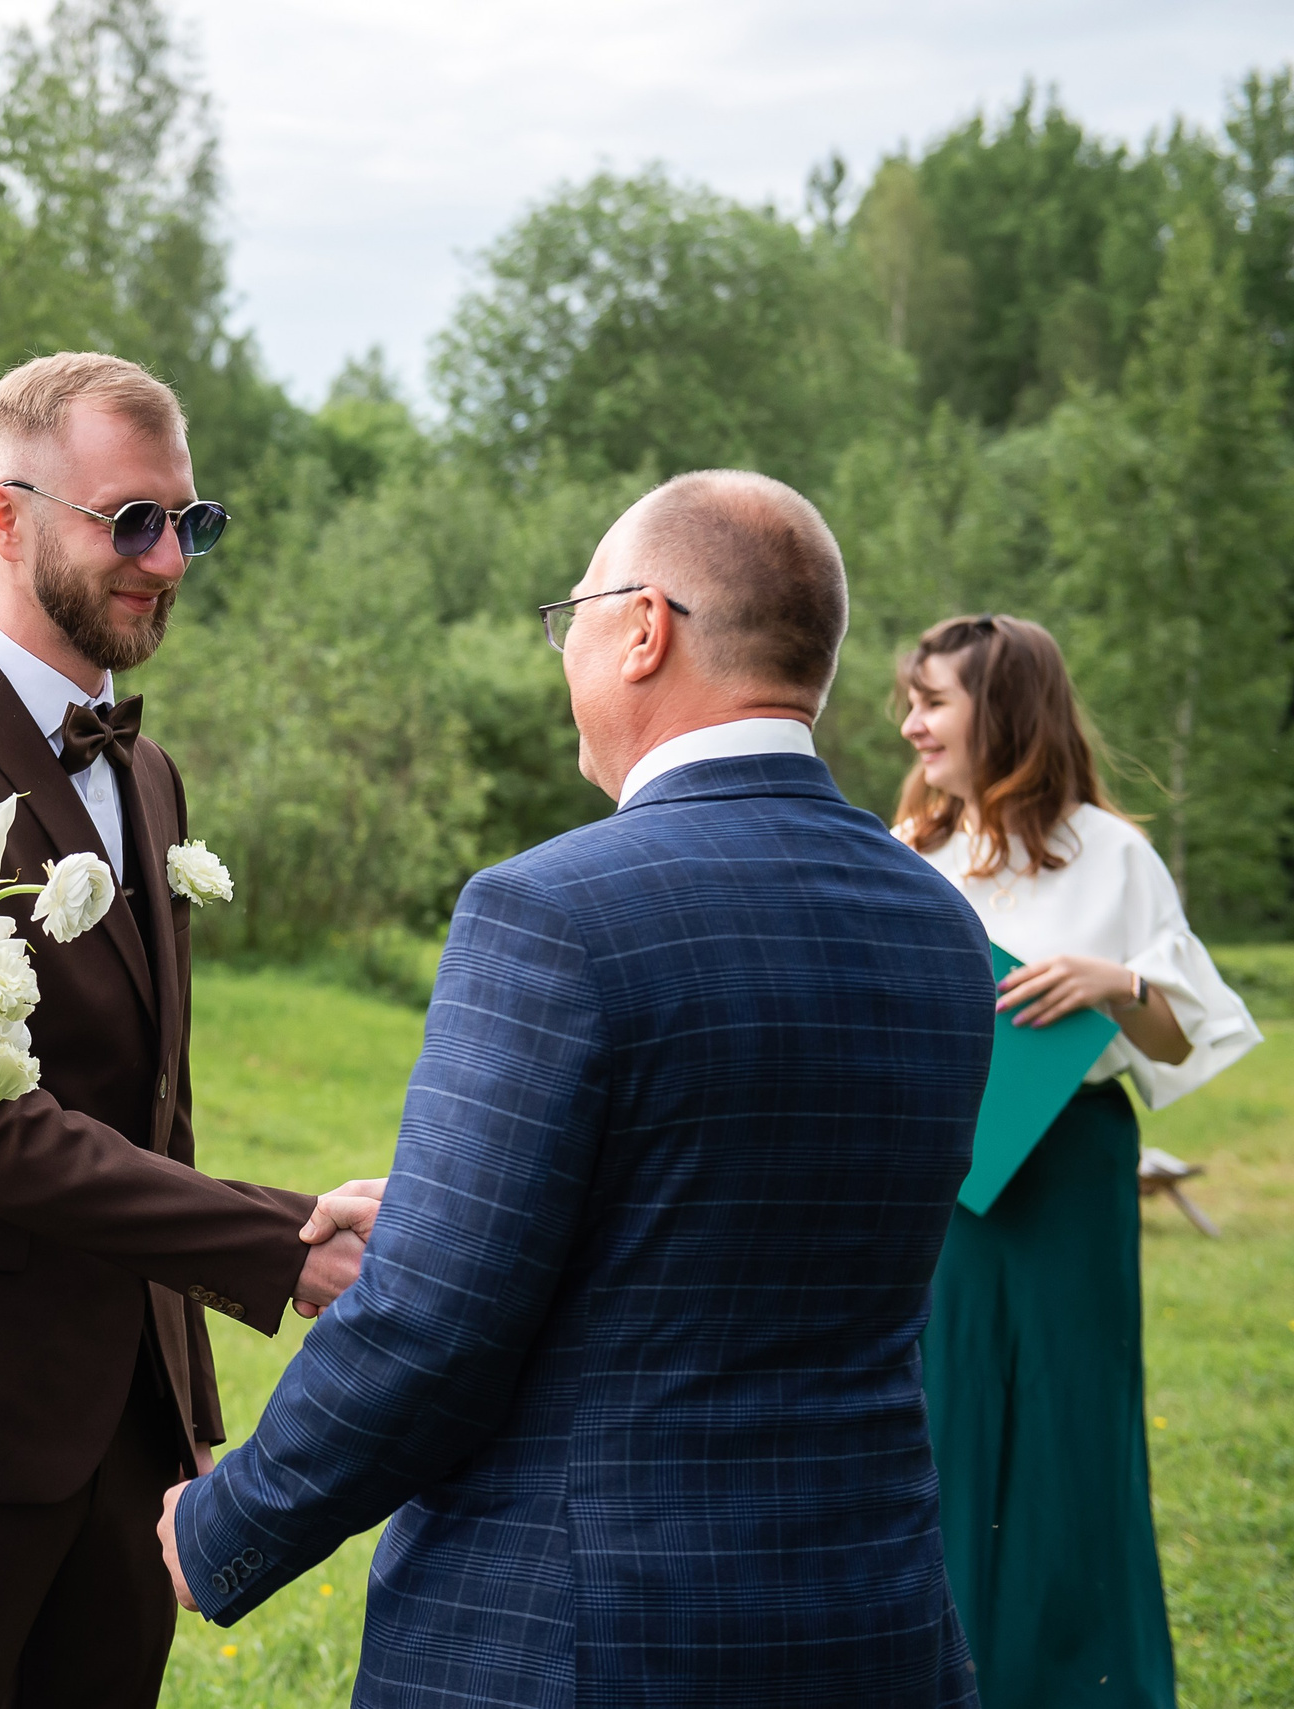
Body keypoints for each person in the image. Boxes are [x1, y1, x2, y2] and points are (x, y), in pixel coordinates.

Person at [160, 471, 1002, 1706]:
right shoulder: (935, 920)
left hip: (586, 1633)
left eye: (575, 618)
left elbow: (431, 1328)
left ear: (646, 626)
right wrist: (467, 1202)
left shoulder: (550, 908)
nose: (568, 655)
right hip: (866, 1612)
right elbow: (767, 1212)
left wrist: (226, 1516)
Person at [0, 351, 375, 1709]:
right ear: (5, 516)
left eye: (192, 521)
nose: (169, 560)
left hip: (129, 1426)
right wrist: (282, 1242)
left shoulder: (145, 770)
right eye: (131, 522)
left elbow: (141, 1097)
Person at [895, 614, 1261, 1709]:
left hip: (1066, 1172)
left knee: (1068, 1420)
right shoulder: (910, 848)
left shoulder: (1113, 853)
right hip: (941, 1174)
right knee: (941, 1415)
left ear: (1001, 713)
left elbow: (1177, 1038)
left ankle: (1086, 1681)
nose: (910, 724)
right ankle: (939, 1674)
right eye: (907, 703)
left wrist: (1116, 981)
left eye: (932, 702)